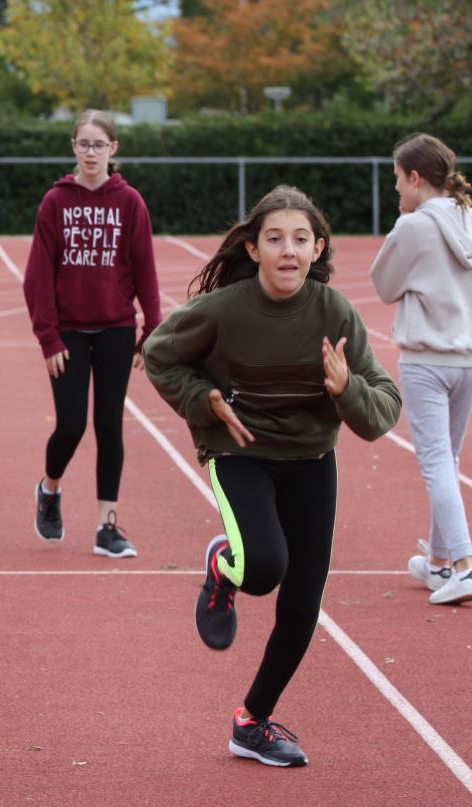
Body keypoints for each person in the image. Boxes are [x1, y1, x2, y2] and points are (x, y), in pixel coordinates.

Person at [143, 185, 401, 767]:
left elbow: (383, 407)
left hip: (311, 460)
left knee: (304, 602)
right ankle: (223, 564)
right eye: (275, 239)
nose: (289, 250)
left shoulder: (334, 312)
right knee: (262, 570)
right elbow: (161, 354)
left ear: (318, 249)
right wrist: (203, 397)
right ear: (254, 250)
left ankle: (252, 721)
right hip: (241, 451)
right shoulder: (225, 309)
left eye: (301, 239)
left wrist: (346, 389)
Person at [23, 109, 162, 558]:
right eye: (83, 144)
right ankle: (50, 489)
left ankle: (107, 525)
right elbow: (38, 277)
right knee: (71, 424)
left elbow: (145, 270)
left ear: (113, 149)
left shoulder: (130, 203)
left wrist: (152, 328)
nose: (90, 153)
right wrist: (49, 338)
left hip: (117, 328)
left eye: (98, 145)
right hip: (68, 332)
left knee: (109, 425)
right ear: (73, 148)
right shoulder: (55, 202)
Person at [370, 133, 472, 606]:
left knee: (435, 463)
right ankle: (439, 563)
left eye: (397, 179)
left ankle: (466, 567)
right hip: (467, 359)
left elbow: (384, 284)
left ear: (415, 177)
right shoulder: (469, 216)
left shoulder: (412, 226)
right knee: (447, 461)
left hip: (427, 360)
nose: (395, 190)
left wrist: (401, 226)